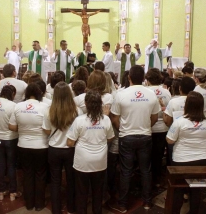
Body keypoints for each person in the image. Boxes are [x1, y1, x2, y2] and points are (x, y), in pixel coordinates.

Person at [109, 65, 160, 212]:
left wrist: (123, 129)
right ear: (143, 78)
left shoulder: (121, 94)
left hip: (126, 136)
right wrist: (145, 126)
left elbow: (114, 118)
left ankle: (123, 204)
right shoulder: (151, 94)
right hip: (145, 136)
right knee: (145, 170)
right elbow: (155, 117)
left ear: (129, 77)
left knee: (126, 170)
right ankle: (147, 202)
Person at [166, 91, 206, 214]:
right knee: (196, 189)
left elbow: (170, 140)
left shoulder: (180, 121)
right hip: (201, 160)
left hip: (181, 160)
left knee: (178, 189)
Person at [67, 90, 114, 214]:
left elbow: (69, 142)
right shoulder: (106, 120)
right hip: (100, 162)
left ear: (86, 104)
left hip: (82, 163)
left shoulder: (79, 120)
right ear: (100, 105)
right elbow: (110, 138)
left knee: (81, 193)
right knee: (97, 193)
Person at [8, 83, 49, 211]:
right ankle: (39, 204)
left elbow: (12, 127)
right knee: (40, 175)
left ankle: (29, 203)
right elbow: (48, 129)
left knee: (27, 174)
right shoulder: (45, 106)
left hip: (23, 145)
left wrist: (24, 128)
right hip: (41, 145)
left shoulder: (18, 106)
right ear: (40, 94)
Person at [42, 82, 81, 214]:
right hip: (71, 149)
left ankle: (56, 209)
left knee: (55, 181)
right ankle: (71, 208)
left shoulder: (49, 110)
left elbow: (47, 131)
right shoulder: (77, 111)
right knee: (71, 180)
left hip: (54, 149)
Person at [0, 85, 22, 201]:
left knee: (0, 164)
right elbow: (16, 125)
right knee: (11, 165)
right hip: (11, 138)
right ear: (12, 94)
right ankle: (13, 191)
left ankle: (1, 190)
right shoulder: (13, 106)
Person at [145, 69, 171, 187]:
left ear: (148, 79)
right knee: (158, 155)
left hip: (149, 127)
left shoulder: (146, 91)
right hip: (162, 128)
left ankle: (146, 179)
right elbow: (169, 109)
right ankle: (156, 179)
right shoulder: (166, 92)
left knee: (147, 156)